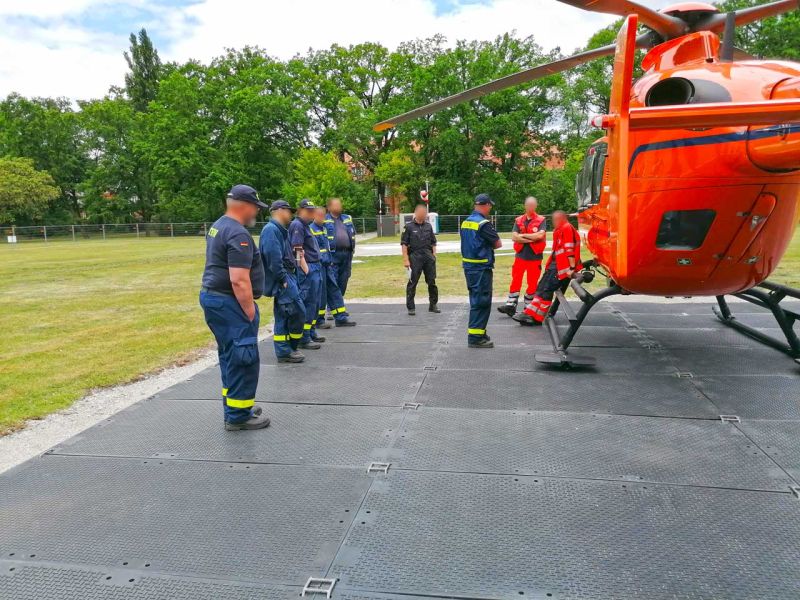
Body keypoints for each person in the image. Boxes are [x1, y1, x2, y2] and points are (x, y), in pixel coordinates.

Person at [200, 184, 270, 431]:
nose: (257, 212)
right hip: (230, 302)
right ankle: (238, 416)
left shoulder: (219, 225)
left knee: (230, 355)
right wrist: (249, 310)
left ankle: (236, 406)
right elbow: (239, 280)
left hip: (215, 299)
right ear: (243, 206)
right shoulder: (237, 233)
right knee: (243, 356)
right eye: (255, 207)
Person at [514, 210, 582, 326]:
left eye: (556, 220)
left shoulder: (566, 228)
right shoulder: (559, 230)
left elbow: (569, 249)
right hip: (554, 266)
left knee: (547, 290)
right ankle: (529, 313)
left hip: (561, 267)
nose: (554, 222)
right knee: (541, 288)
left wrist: (571, 268)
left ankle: (537, 317)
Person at [260, 200, 306, 363]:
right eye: (288, 210)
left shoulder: (280, 230)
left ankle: (287, 349)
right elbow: (273, 258)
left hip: (289, 276)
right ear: (279, 210)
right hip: (284, 278)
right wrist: (283, 279)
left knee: (286, 314)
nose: (291, 214)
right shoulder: (271, 230)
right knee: (296, 311)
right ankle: (286, 350)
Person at [460, 193, 502, 348]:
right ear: (486, 205)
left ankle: (479, 332)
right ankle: (475, 338)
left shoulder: (466, 222)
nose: (490, 209)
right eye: (490, 205)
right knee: (481, 302)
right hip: (481, 268)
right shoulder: (483, 223)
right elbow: (497, 243)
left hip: (469, 268)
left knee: (476, 300)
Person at [498, 196, 547, 316]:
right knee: (516, 279)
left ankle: (529, 307)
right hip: (520, 256)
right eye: (528, 205)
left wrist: (522, 236)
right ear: (525, 206)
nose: (530, 207)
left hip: (534, 257)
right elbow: (514, 237)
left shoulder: (541, 220)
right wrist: (531, 238)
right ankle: (511, 305)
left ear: (536, 206)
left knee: (532, 282)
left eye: (532, 205)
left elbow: (539, 236)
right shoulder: (518, 220)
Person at [289, 199, 326, 349]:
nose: (311, 213)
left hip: (315, 266)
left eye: (312, 210)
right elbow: (297, 248)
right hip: (309, 268)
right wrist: (306, 270)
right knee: (308, 302)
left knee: (315, 303)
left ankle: (310, 332)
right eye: (308, 210)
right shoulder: (297, 225)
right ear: (301, 210)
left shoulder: (305, 225)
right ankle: (304, 338)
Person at [323, 198, 357, 327]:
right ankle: (331, 309)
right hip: (333, 255)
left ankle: (338, 307)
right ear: (329, 207)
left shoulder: (347, 218)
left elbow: (353, 234)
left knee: (343, 281)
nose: (339, 206)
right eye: (336, 204)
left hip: (346, 255)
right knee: (333, 282)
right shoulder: (325, 219)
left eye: (340, 204)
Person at [401, 203, 440, 316]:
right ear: (416, 213)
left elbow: (433, 242)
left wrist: (434, 255)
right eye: (422, 213)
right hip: (415, 257)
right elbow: (404, 244)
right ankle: (411, 307)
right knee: (412, 282)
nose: (424, 215)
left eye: (425, 214)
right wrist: (406, 259)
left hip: (428, 257)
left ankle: (433, 305)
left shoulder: (428, 226)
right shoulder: (409, 227)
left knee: (432, 282)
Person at [309, 206, 333, 333]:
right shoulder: (311, 229)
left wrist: (330, 259)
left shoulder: (323, 228)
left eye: (324, 215)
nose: (322, 218)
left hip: (326, 264)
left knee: (325, 292)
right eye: (319, 215)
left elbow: (326, 247)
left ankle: (321, 318)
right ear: (314, 215)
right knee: (319, 293)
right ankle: (318, 320)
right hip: (318, 265)